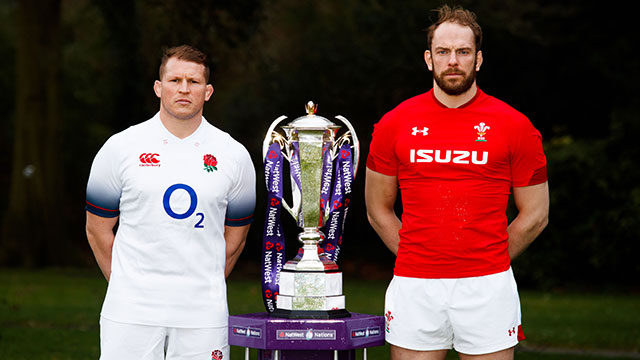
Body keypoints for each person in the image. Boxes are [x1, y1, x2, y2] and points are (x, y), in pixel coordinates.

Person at [365, 5, 549, 360]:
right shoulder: (393, 124)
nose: (453, 61)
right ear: (428, 59)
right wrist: (418, 257)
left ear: (478, 59)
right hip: (415, 285)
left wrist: (487, 261)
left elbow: (536, 214)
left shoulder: (516, 126)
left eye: (463, 52)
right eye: (443, 52)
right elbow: (377, 209)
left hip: (487, 287)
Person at [85, 45, 256, 360]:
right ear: (158, 87)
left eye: (193, 82)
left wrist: (201, 287)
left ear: (208, 91)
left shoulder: (234, 154)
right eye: (175, 79)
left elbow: (236, 239)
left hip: (204, 312)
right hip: (130, 310)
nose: (184, 88)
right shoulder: (120, 148)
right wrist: (128, 285)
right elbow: (97, 230)